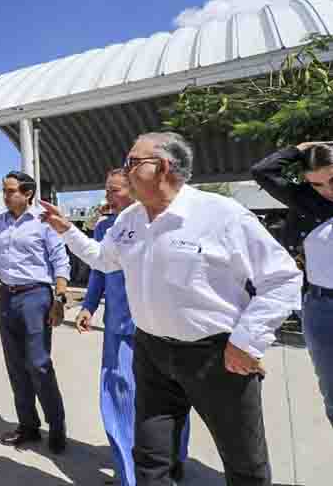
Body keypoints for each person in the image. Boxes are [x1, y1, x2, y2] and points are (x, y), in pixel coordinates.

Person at [39, 132, 302, 486]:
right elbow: (103, 260)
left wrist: (247, 340)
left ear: (161, 166)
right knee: (150, 459)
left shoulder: (221, 215)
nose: (124, 170)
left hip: (217, 357)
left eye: (132, 162)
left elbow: (282, 278)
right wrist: (67, 229)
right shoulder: (130, 219)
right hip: (152, 354)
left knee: (244, 464)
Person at [76, 169, 191, 485]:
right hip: (118, 331)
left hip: (161, 329)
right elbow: (100, 269)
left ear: (137, 190)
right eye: (107, 190)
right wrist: (88, 306)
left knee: (170, 404)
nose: (108, 198)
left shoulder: (160, 222)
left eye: (114, 191)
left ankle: (173, 463)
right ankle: (129, 475)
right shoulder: (104, 227)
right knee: (118, 404)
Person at [0, 170, 71, 454]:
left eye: (11, 190)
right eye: (3, 190)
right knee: (15, 365)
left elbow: (60, 262)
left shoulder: (43, 221)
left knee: (38, 364)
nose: (5, 195)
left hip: (36, 297)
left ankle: (57, 425)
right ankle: (28, 426)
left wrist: (59, 299)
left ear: (27, 193)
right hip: (6, 297)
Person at [252, 141, 333, 427]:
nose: (327, 190)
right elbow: (263, 171)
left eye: (332, 179)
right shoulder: (307, 201)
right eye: (317, 184)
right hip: (321, 307)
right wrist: (298, 149)